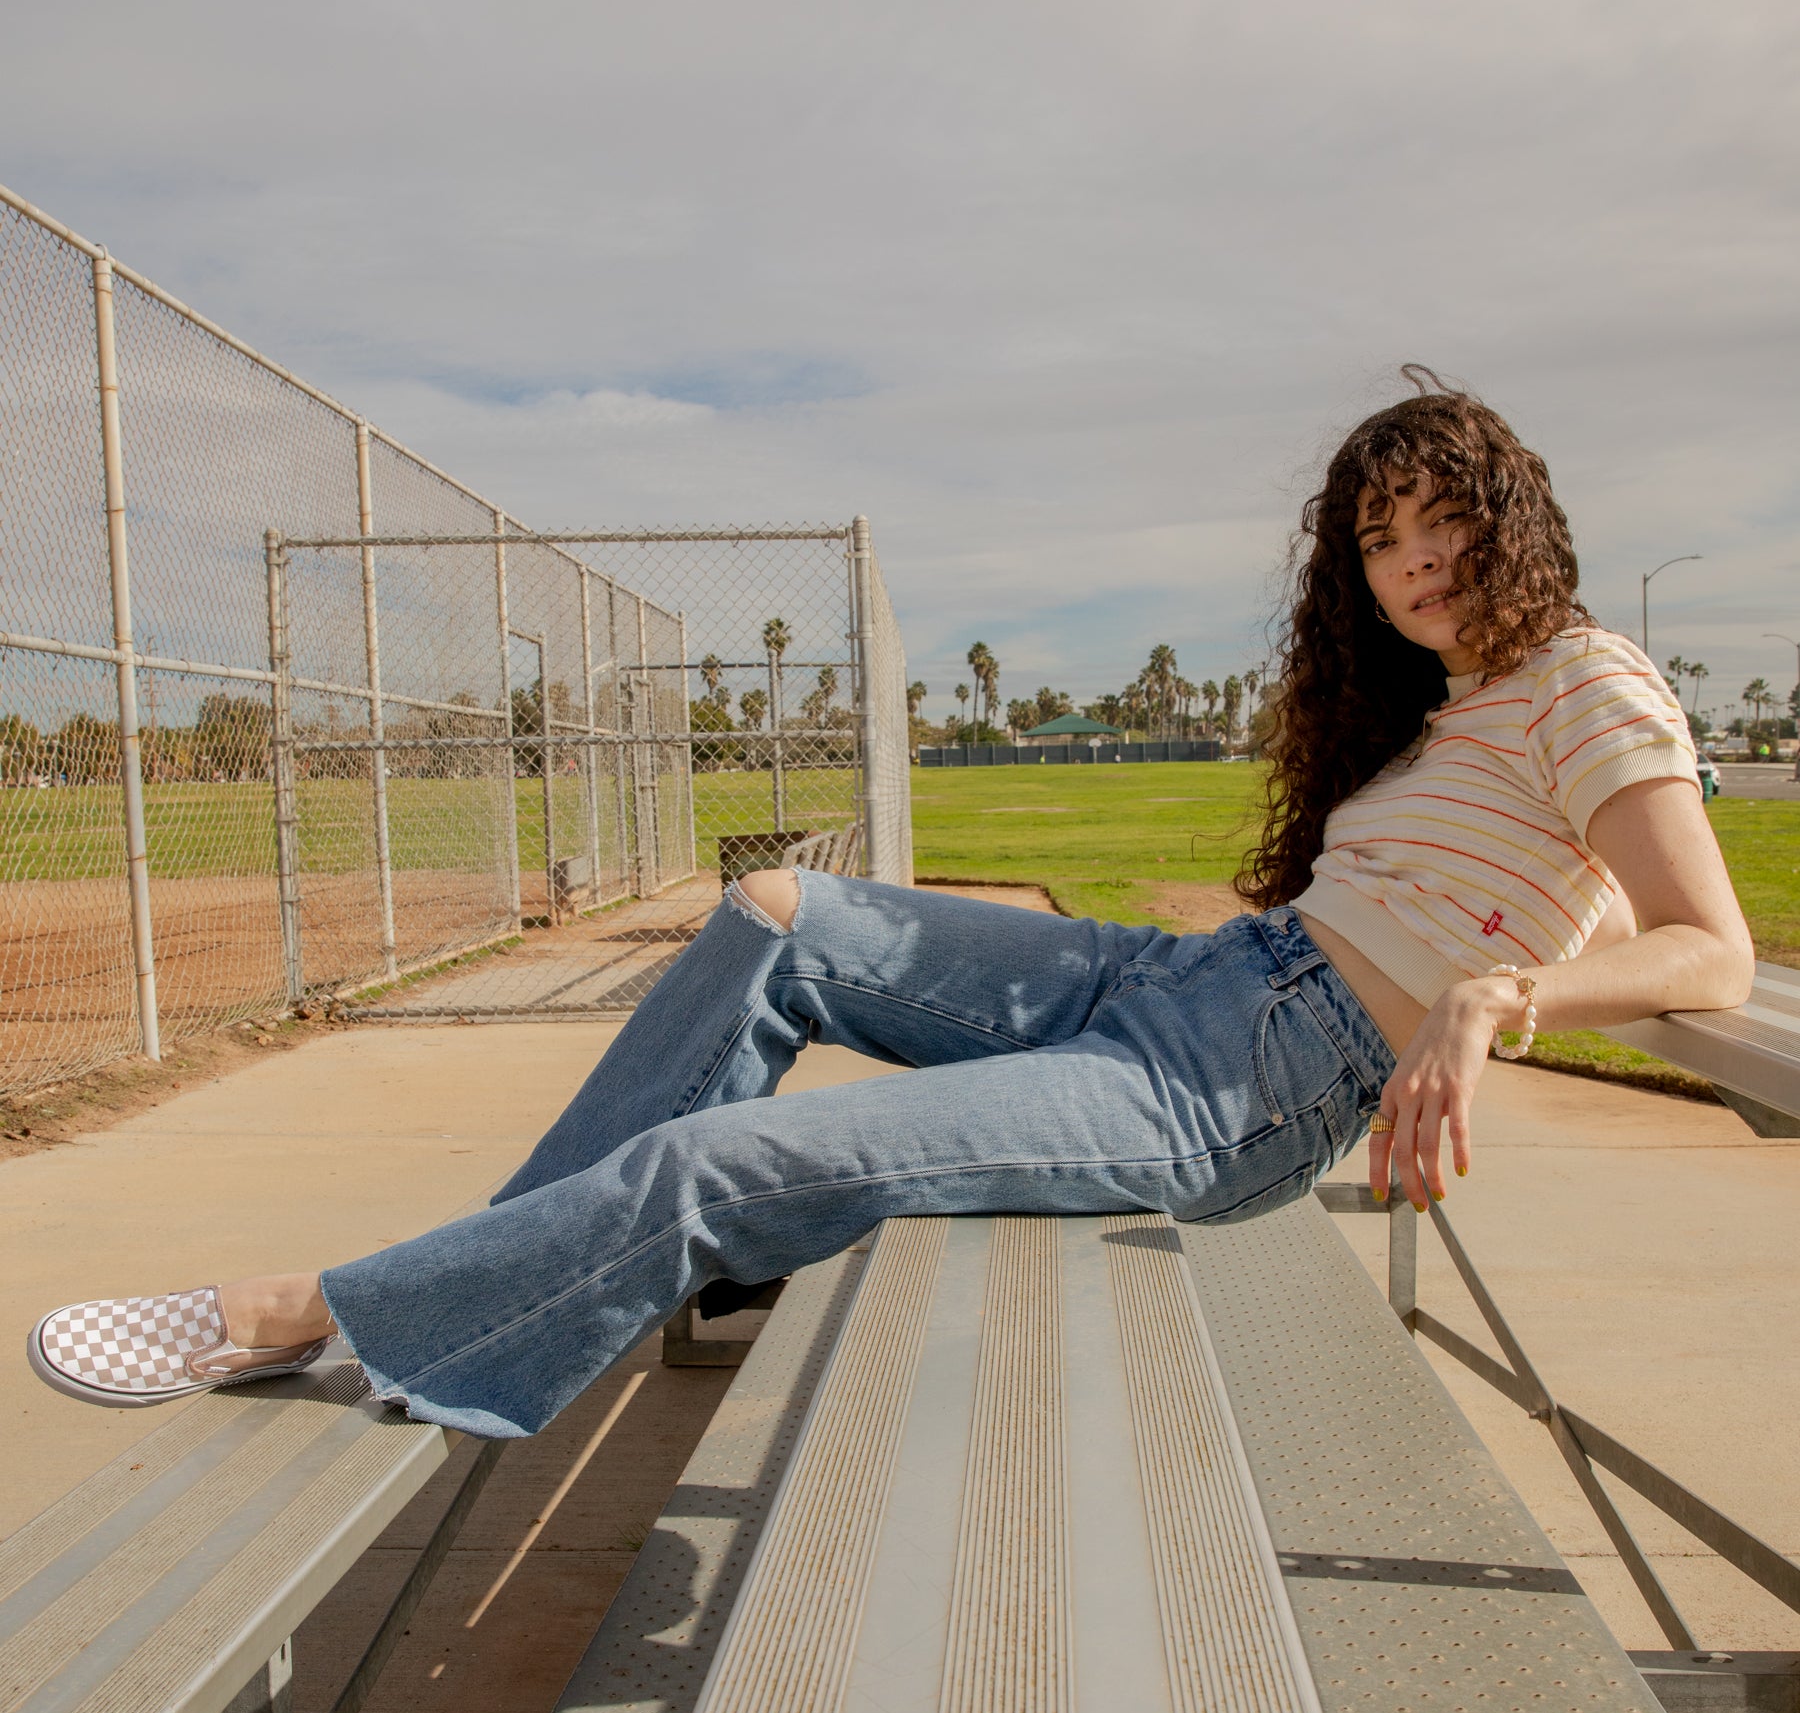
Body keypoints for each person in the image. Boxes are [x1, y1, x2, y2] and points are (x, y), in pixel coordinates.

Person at [29, 376, 1753, 1437]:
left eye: (1440, 522)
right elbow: (1471, 886)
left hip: (1233, 1092)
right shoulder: (1450, 713)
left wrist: (1493, 999)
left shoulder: (1589, 681)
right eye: (1381, 541)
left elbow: (1710, 947)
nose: (1413, 563)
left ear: (1510, 521)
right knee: (779, 910)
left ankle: (311, 1310)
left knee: (714, 1168)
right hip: (1199, 980)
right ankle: (499, 1279)